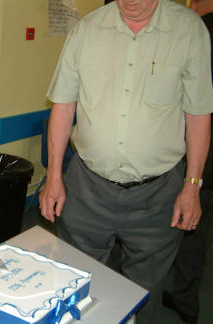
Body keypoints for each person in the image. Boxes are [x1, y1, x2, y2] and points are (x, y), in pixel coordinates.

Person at [39, 0, 213, 323]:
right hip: (87, 188)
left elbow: (199, 114)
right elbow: (63, 107)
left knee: (143, 295)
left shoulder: (189, 32)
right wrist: (53, 176)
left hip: (157, 195)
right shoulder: (86, 31)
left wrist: (192, 185)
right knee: (75, 284)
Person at [161, 2, 213, 324]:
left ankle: (185, 301)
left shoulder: (202, 30)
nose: (191, 6)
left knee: (192, 226)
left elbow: (194, 100)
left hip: (203, 147)